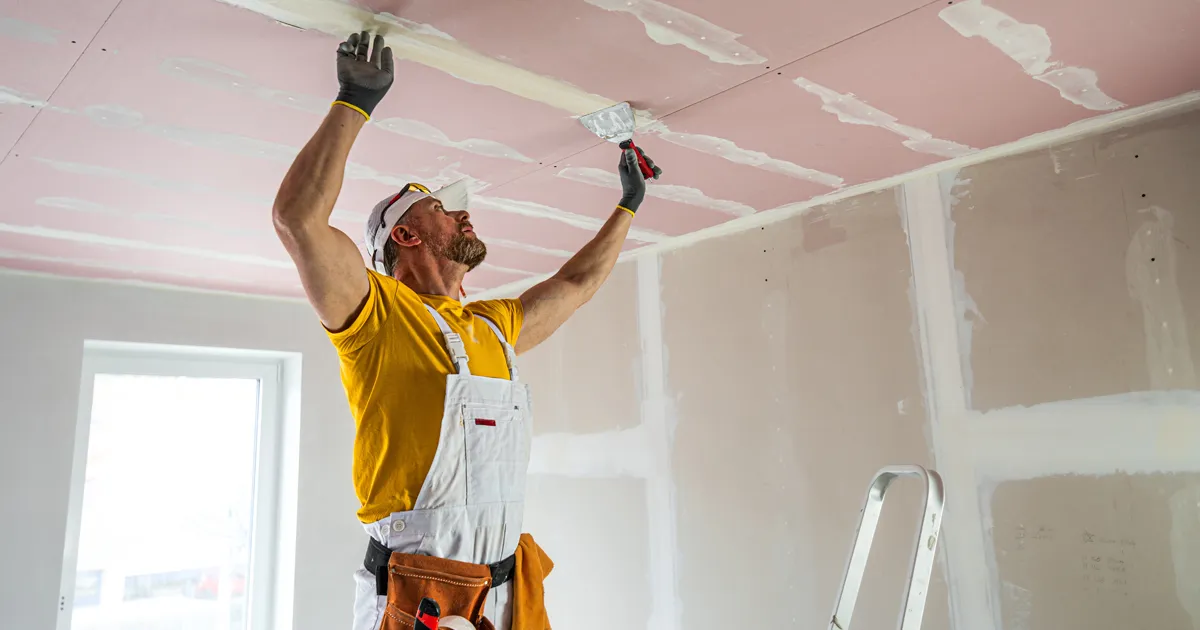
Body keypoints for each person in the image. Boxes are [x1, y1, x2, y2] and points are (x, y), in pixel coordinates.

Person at [271, 31, 659, 630]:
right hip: (419, 593)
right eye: (441, 207)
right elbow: (298, 220)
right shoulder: (375, 316)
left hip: (503, 592)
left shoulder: (492, 326)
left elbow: (577, 284)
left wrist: (628, 204)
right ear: (405, 234)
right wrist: (355, 101)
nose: (463, 211)